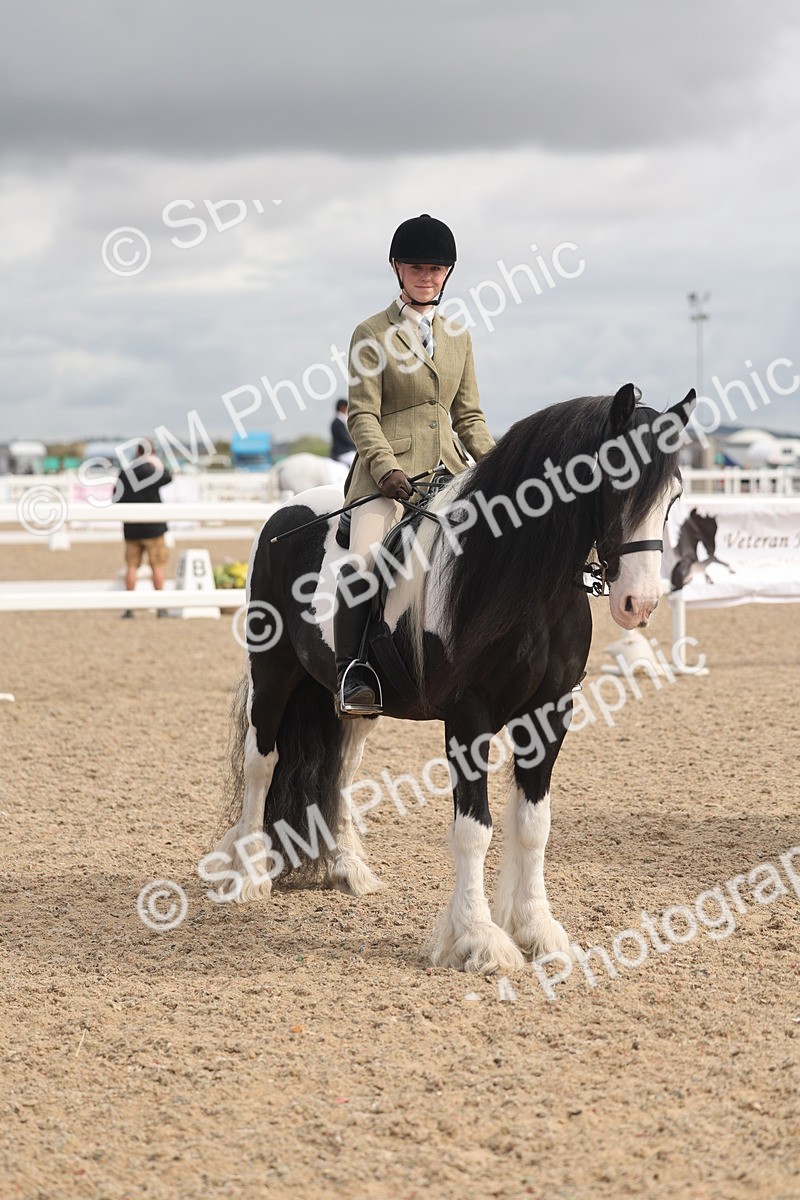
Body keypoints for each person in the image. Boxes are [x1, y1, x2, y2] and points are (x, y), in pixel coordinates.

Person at [334, 214, 495, 716]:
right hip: (387, 480)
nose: (427, 277)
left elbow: (468, 416)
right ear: (396, 268)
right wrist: (386, 469)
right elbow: (361, 414)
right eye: (416, 267)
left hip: (449, 471)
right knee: (364, 561)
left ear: (447, 273)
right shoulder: (371, 333)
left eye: (436, 268)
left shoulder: (458, 336)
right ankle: (354, 671)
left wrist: (499, 465)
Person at [115, 443, 173, 619]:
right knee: (157, 566)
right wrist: (158, 464)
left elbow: (116, 497)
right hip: (153, 528)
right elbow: (168, 477)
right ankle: (161, 607)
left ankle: (129, 608)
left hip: (132, 528)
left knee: (131, 567)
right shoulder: (152, 471)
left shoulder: (126, 472)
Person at [330, 398, 356, 466]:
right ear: (343, 407)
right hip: (342, 452)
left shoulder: (339, 421)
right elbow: (345, 438)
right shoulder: (338, 422)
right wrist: (356, 445)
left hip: (344, 451)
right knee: (357, 462)